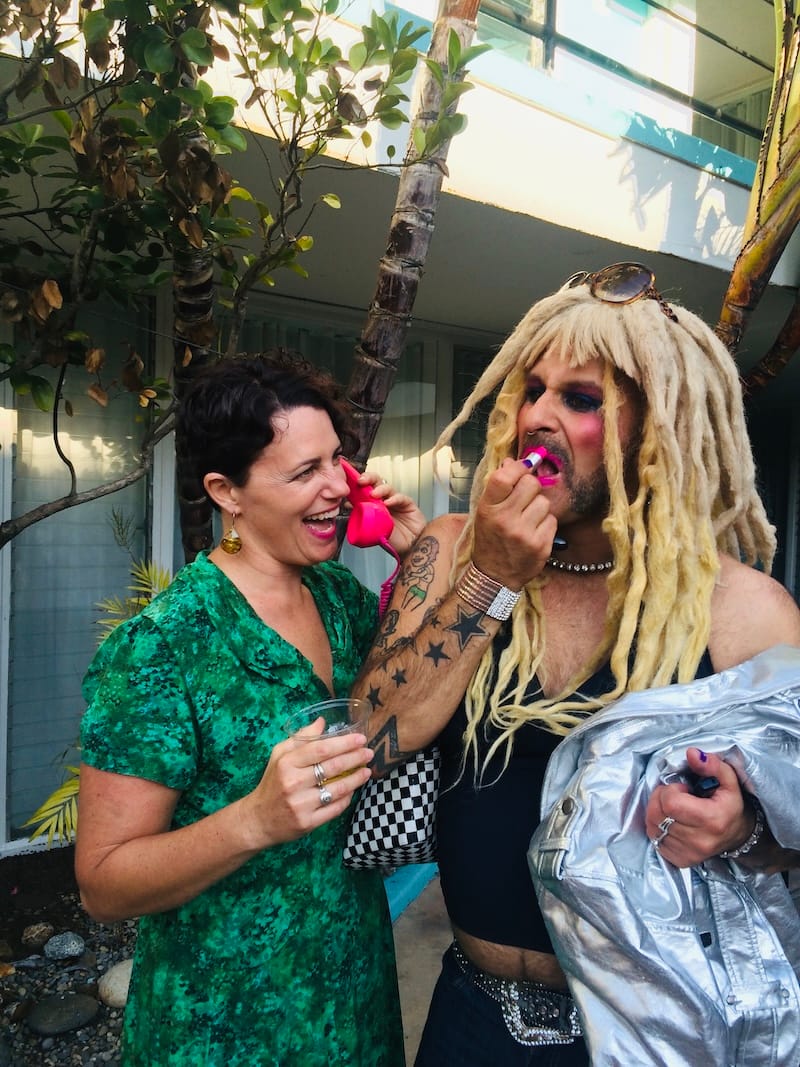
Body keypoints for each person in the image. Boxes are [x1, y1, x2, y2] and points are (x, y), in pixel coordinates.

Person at [351, 263, 800, 1066]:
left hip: (653, 1026)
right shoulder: (452, 551)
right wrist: (490, 578)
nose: (537, 417)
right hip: (469, 1016)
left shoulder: (742, 609)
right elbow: (376, 731)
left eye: (581, 398)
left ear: (656, 428)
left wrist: (746, 825)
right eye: (532, 390)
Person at [75, 350, 425, 1066]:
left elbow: (427, 695)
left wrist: (418, 554)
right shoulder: (165, 646)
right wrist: (253, 820)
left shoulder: (342, 604)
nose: (337, 486)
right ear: (225, 491)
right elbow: (103, 883)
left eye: (338, 459)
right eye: (304, 472)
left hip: (353, 1001)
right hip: (223, 1025)